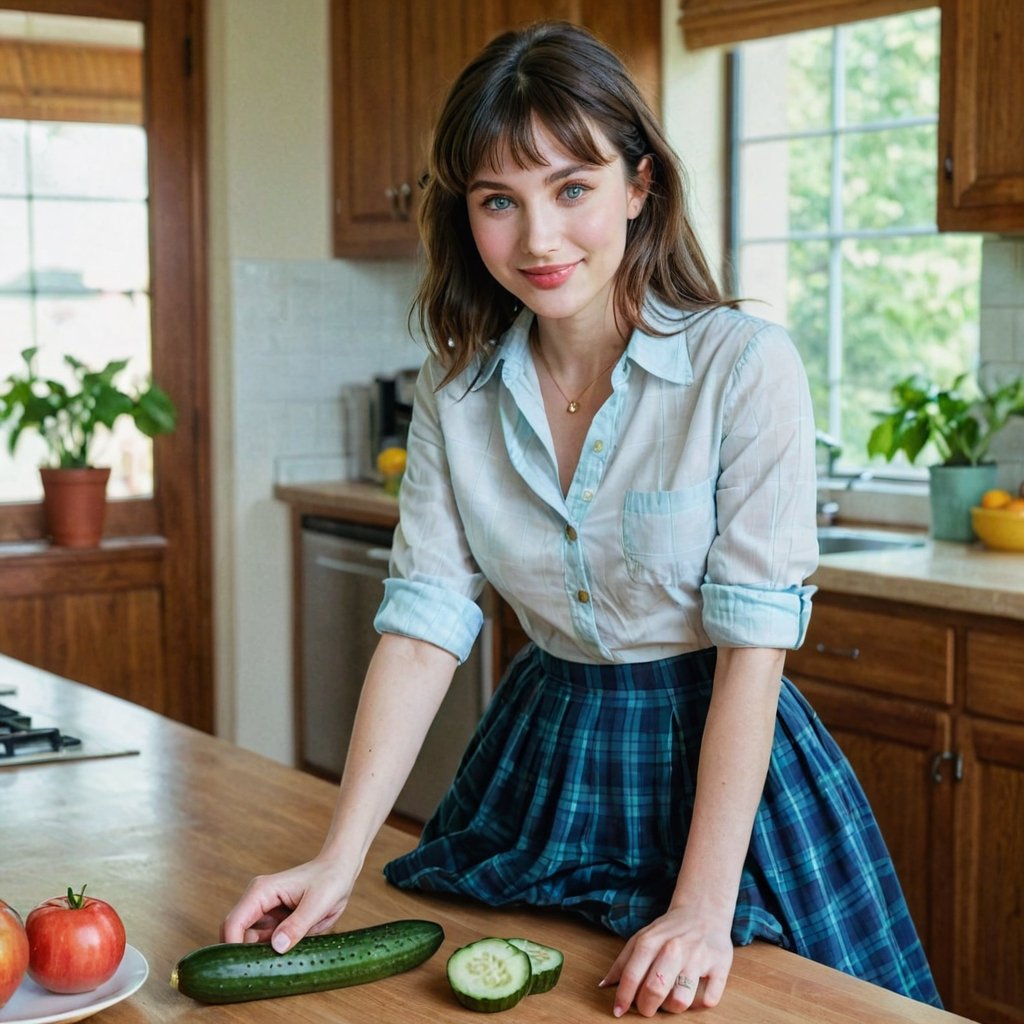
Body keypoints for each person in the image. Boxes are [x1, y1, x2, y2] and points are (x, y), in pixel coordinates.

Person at [223, 21, 941, 1016]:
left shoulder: (743, 366)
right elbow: (425, 625)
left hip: (728, 769)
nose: (538, 239)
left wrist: (701, 905)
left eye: (572, 188)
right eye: (497, 202)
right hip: (543, 753)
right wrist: (337, 858)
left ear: (638, 184)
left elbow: (751, 650)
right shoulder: (457, 392)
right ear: (464, 214)